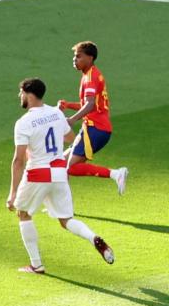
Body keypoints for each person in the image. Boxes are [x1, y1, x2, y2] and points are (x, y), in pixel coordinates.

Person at [7, 78, 114, 273]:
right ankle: (93, 238)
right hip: (59, 174)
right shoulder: (56, 114)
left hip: (37, 174)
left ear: (29, 95)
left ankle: (36, 264)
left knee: (23, 214)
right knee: (66, 220)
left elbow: (18, 161)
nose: (20, 96)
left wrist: (12, 193)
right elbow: (72, 139)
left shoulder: (24, 122)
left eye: (21, 93)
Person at [56, 41, 127, 194]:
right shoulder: (90, 75)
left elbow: (89, 105)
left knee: (71, 167)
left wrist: (72, 119)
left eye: (78, 56)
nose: (75, 60)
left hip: (95, 128)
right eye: (74, 57)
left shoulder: (90, 77)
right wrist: (69, 105)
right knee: (61, 162)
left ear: (90, 57)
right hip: (94, 128)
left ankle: (116, 174)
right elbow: (88, 104)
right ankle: (64, 206)